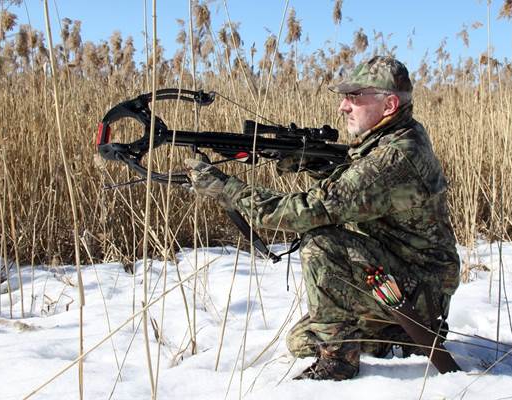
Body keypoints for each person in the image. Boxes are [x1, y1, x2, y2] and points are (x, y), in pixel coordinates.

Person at [186, 55, 460, 381]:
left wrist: (228, 190)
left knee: (321, 243)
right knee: (300, 341)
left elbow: (314, 210)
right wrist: (304, 160)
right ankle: (397, 338)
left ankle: (339, 364)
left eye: (355, 97)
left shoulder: (397, 156)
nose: (344, 106)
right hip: (394, 273)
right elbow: (354, 184)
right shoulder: (392, 137)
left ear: (388, 104)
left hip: (418, 289)